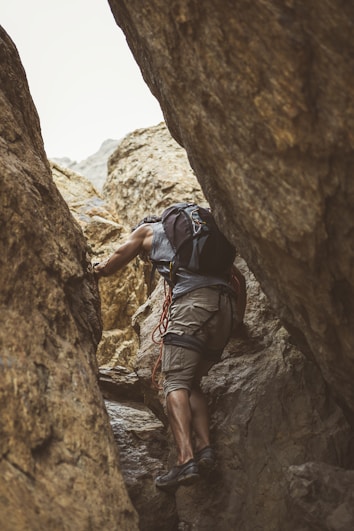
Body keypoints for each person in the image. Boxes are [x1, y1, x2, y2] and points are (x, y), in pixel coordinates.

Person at [93, 207, 246, 491]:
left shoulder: (147, 231)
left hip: (192, 306)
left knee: (174, 381)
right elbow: (240, 280)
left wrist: (93, 269)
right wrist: (238, 322)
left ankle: (185, 460)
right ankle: (205, 450)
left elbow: (113, 263)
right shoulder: (204, 243)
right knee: (191, 382)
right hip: (223, 310)